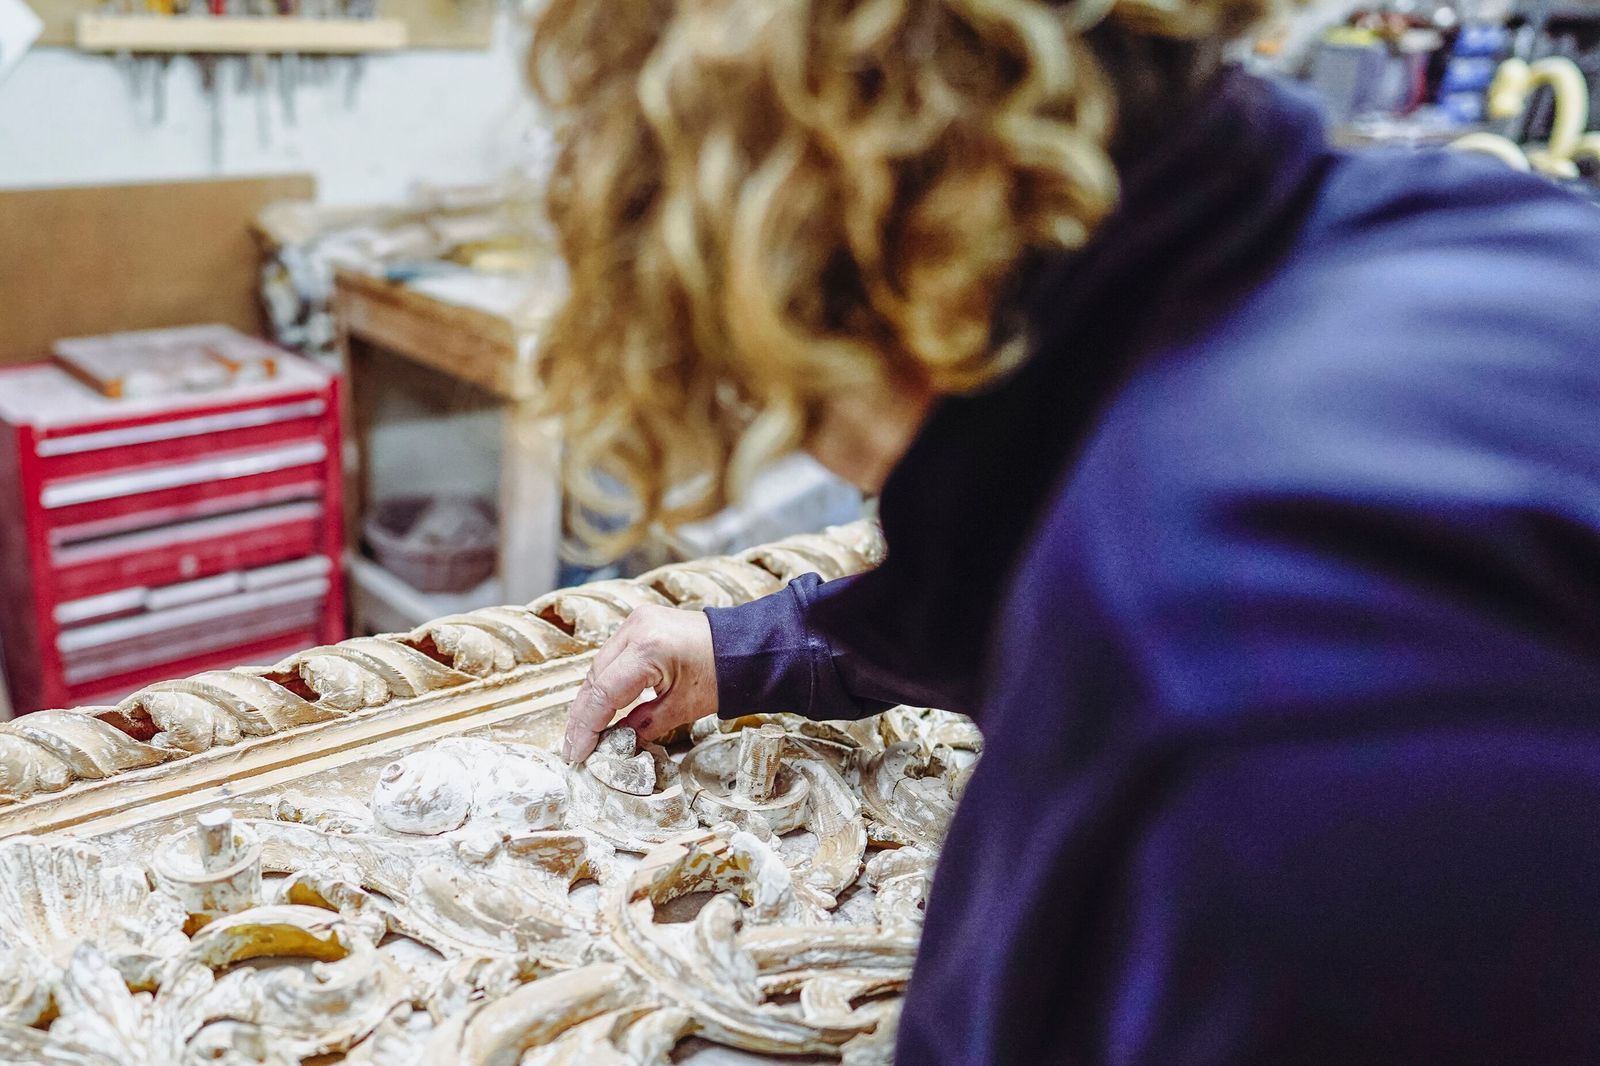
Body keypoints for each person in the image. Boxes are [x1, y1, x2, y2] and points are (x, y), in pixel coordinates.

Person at [530, 0, 1600, 1061]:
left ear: (811, 282)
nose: (815, 445)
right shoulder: (1450, 225)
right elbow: (1045, 493)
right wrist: (767, 648)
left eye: (780, 397)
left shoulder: (1207, 691)